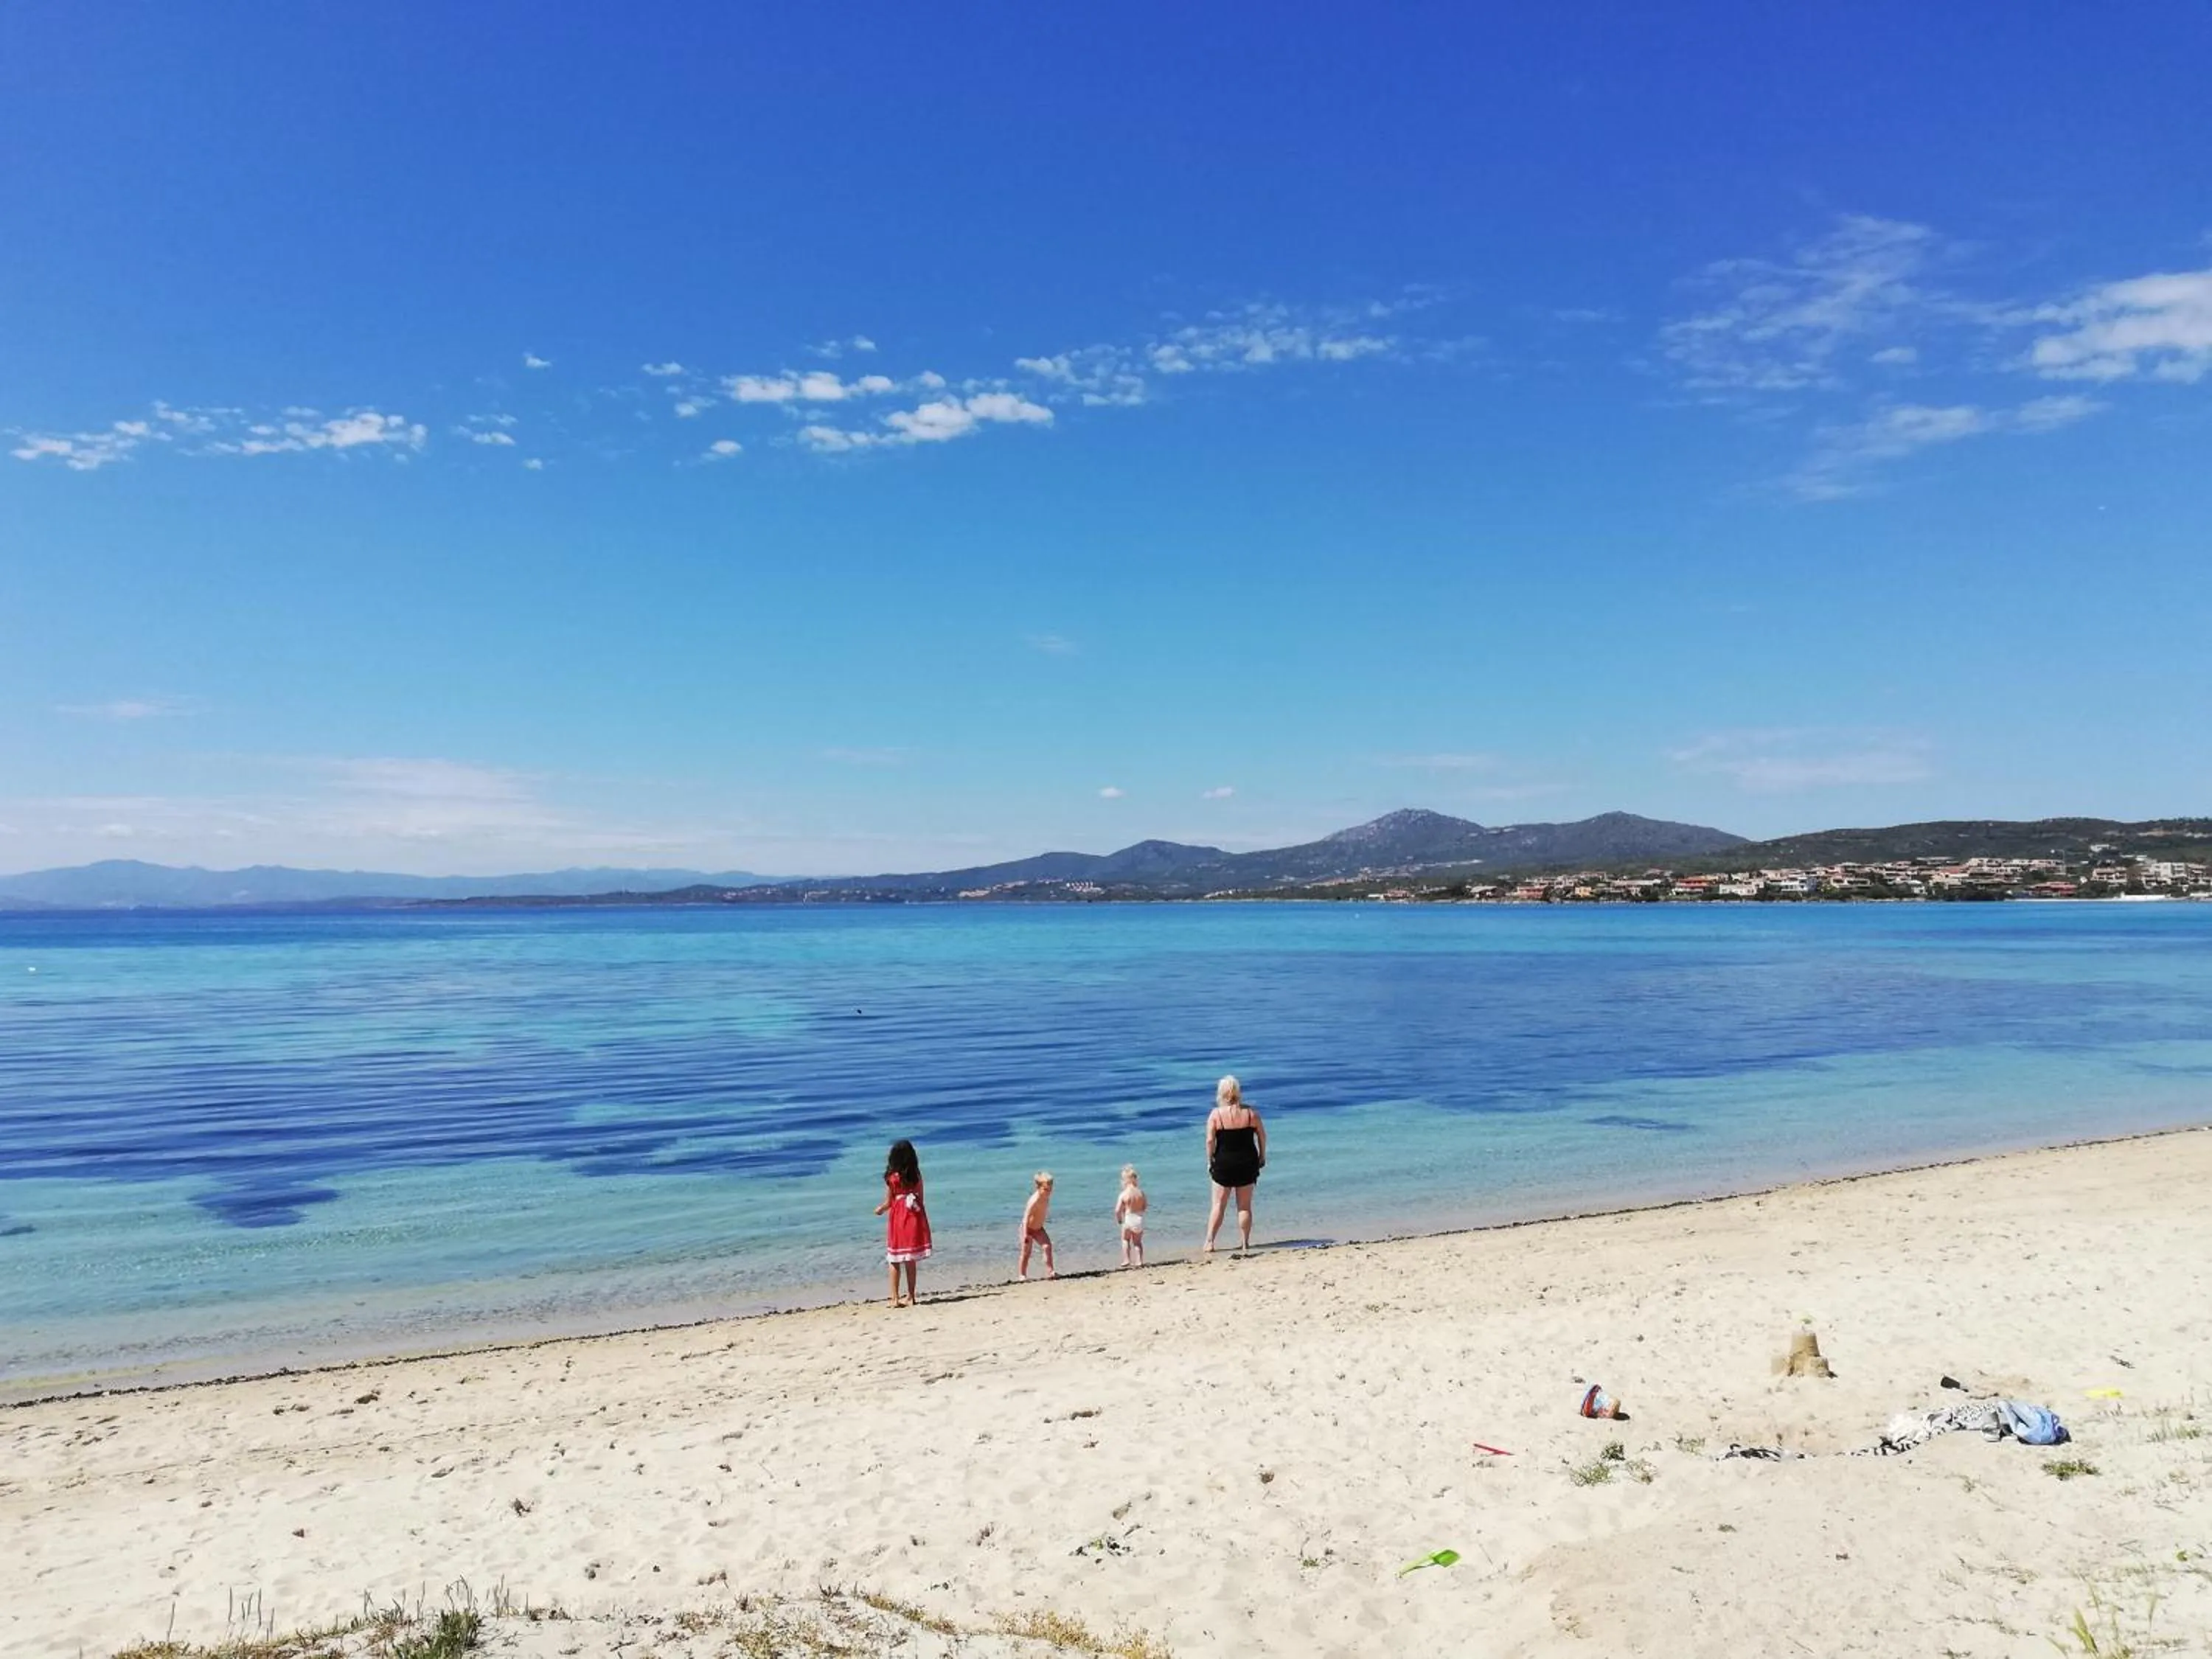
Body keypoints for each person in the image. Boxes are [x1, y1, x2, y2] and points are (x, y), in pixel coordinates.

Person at [1204, 1074, 1266, 1255]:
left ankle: (1210, 1242)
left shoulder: (1216, 1115)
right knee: (1244, 1206)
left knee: (1218, 1205)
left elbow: (1210, 1141)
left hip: (1224, 1163)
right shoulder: (1251, 1113)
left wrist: (1210, 1160)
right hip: (1247, 1162)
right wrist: (1262, 1156)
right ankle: (1245, 1242)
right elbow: (1262, 1136)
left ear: (1221, 1093)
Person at [874, 1138, 931, 1307]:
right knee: (910, 1259)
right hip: (913, 1215)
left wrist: (880, 1209)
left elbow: (889, 1202)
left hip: (898, 1218)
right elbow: (921, 1199)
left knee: (894, 1258)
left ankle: (894, 1297)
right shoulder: (916, 1176)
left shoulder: (892, 1178)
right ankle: (911, 1296)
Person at [1018, 1170, 1057, 1279]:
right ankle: (1022, 1275)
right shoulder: (1034, 1200)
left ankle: (1051, 1271)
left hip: (1038, 1229)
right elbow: (1026, 1218)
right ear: (1038, 1188)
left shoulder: (1046, 1197)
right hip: (1028, 1228)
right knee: (1026, 1253)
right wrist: (1025, 1234)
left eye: (1050, 1189)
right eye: (1046, 1189)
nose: (1049, 1192)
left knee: (1047, 1246)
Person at [1114, 1164, 1147, 1268]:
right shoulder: (1141, 1193)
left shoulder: (1123, 1194)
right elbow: (1145, 1206)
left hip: (1128, 1219)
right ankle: (1139, 1261)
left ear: (1125, 1181)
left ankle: (1126, 1260)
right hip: (1138, 1219)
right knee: (1137, 1243)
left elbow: (1117, 1210)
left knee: (1125, 1240)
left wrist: (1119, 1220)